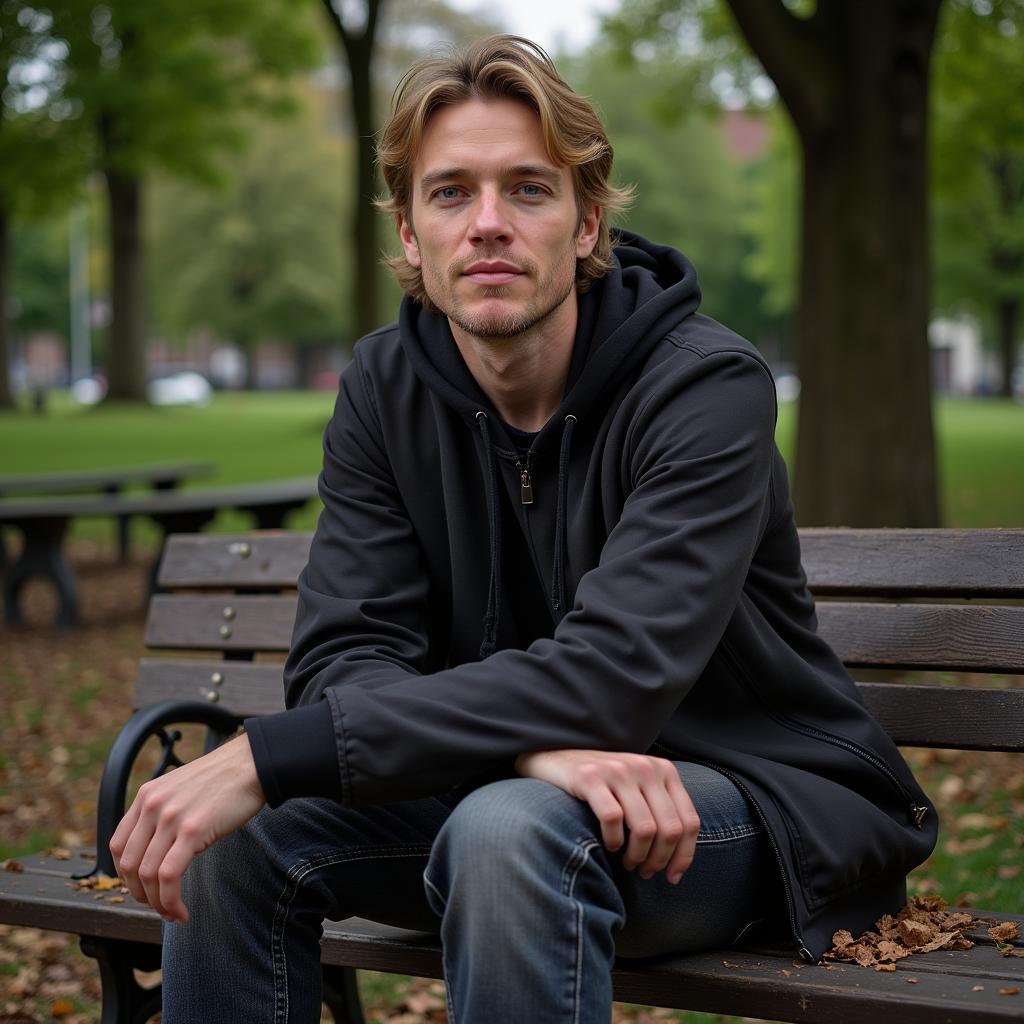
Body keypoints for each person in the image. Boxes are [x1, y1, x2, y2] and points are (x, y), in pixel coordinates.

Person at [111, 35, 937, 1023]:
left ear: (587, 224)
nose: (489, 224)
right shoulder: (382, 390)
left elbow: (610, 675)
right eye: (451, 192)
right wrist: (526, 752)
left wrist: (274, 751)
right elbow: (345, 657)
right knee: (236, 838)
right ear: (411, 235)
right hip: (518, 798)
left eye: (529, 191)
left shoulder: (705, 387)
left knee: (506, 831)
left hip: (750, 807)